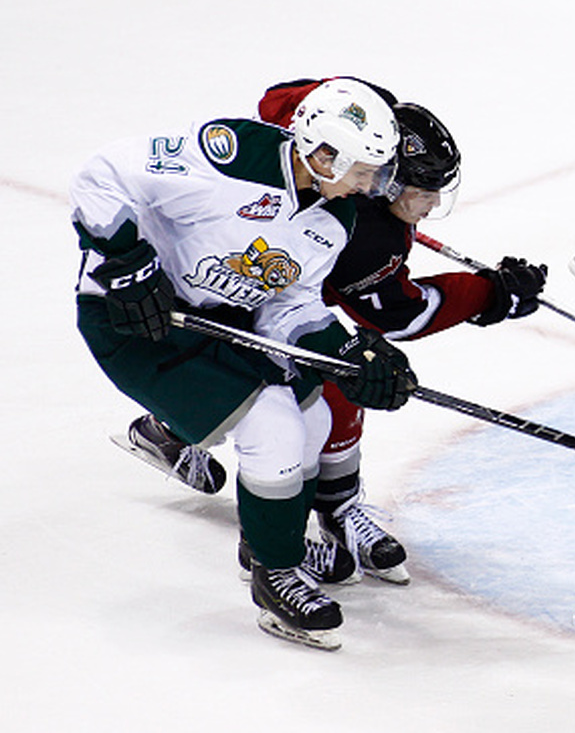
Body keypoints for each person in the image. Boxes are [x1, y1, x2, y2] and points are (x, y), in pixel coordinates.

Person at [118, 77, 548, 589]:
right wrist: (489, 294)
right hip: (245, 286)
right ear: (385, 181)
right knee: (333, 387)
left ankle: (169, 433)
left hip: (255, 272)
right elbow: (398, 315)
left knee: (280, 394)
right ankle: (325, 517)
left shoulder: (343, 154)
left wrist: (350, 96)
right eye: (425, 192)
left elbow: (278, 99)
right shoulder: (364, 236)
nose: (433, 204)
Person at [73, 78, 414, 649]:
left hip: (220, 323)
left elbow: (288, 303)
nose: (373, 185)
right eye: (364, 169)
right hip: (135, 321)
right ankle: (275, 575)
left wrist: (351, 353)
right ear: (323, 153)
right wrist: (126, 260)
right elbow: (102, 174)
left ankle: (265, 541)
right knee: (273, 428)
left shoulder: (336, 218)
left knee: (315, 419)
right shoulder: (231, 156)